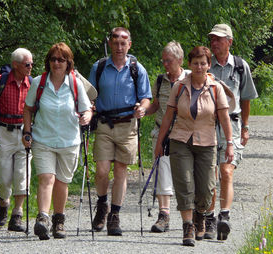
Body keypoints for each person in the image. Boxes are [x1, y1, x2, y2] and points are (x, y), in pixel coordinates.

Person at [155, 46, 235, 247]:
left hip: (207, 142)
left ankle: (200, 215)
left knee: (207, 189)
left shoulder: (216, 88)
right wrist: (159, 143)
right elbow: (168, 116)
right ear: (189, 64)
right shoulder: (180, 87)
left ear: (209, 65)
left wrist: (230, 144)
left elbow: (225, 118)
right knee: (184, 184)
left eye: (203, 63)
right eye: (196, 63)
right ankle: (188, 226)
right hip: (180, 140)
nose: (199, 67)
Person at [22, 42, 92, 240]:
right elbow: (27, 108)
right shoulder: (39, 82)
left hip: (69, 141)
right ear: (48, 62)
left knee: (62, 182)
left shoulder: (75, 83)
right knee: (46, 178)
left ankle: (58, 220)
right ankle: (42, 218)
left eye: (61, 59)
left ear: (68, 63)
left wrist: (86, 117)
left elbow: (87, 109)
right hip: (43, 139)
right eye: (53, 59)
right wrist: (27, 132)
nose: (56, 63)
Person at [88, 27, 152, 236]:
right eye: (115, 42)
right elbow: (88, 95)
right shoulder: (98, 67)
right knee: (102, 170)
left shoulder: (137, 68)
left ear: (129, 45)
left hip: (127, 125)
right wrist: (88, 108)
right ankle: (102, 203)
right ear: (110, 43)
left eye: (123, 43)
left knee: (121, 171)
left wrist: (142, 107)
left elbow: (146, 96)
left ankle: (114, 215)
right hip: (105, 124)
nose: (119, 46)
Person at [206, 24, 258, 241]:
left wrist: (245, 127)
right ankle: (209, 218)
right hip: (208, 125)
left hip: (233, 125)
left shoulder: (239, 66)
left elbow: (246, 97)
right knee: (210, 174)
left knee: (226, 171)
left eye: (218, 39)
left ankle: (224, 216)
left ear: (229, 41)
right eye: (212, 39)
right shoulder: (205, 64)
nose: (214, 43)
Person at [0, 48, 33, 232]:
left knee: (23, 174)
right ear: (16, 65)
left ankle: (17, 215)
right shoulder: (0, 82)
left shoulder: (33, 84)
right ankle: (4, 202)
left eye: (32, 64)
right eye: (27, 64)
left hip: (24, 133)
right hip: (3, 131)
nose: (30, 68)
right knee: (3, 177)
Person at [145, 41, 191, 233]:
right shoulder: (160, 80)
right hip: (162, 133)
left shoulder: (191, 77)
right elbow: (156, 104)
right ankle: (164, 215)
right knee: (162, 172)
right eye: (163, 60)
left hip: (185, 134)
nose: (165, 64)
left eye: (169, 60)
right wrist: (141, 110)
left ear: (179, 60)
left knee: (186, 174)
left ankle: (191, 216)